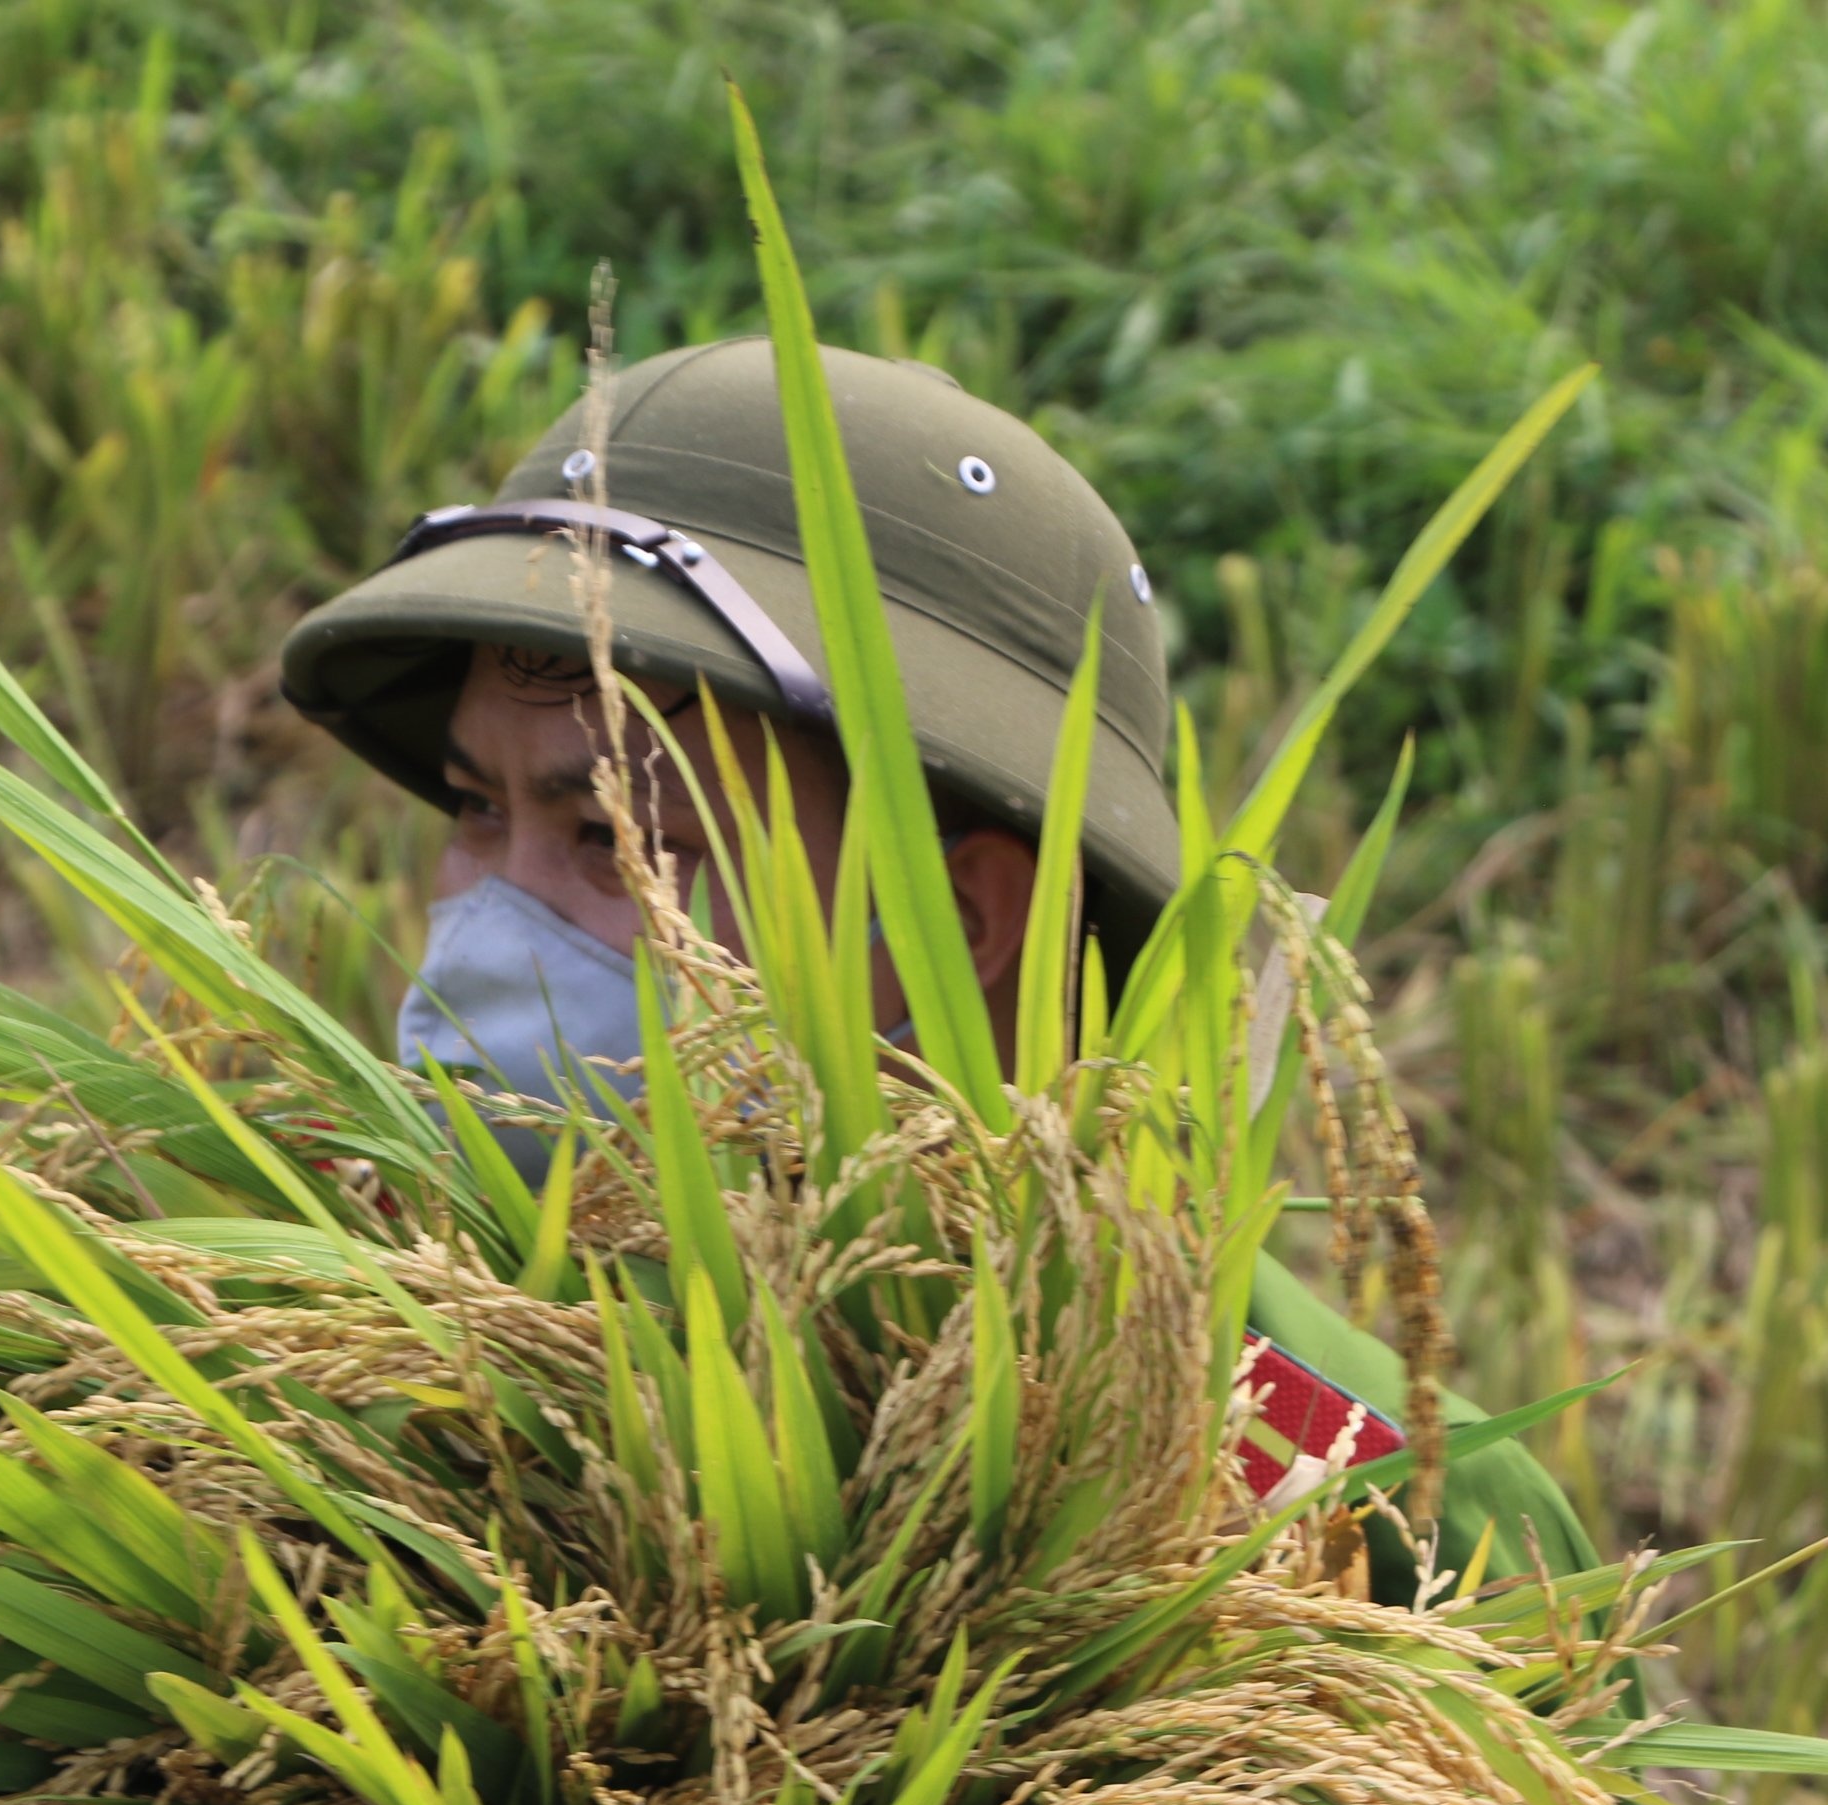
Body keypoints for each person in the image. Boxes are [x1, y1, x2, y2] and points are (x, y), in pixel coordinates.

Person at [281, 337, 1595, 1598]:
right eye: (474, 810)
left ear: (953, 916)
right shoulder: (351, 1345)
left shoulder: (1336, 1492)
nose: (489, 922)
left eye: (616, 839)